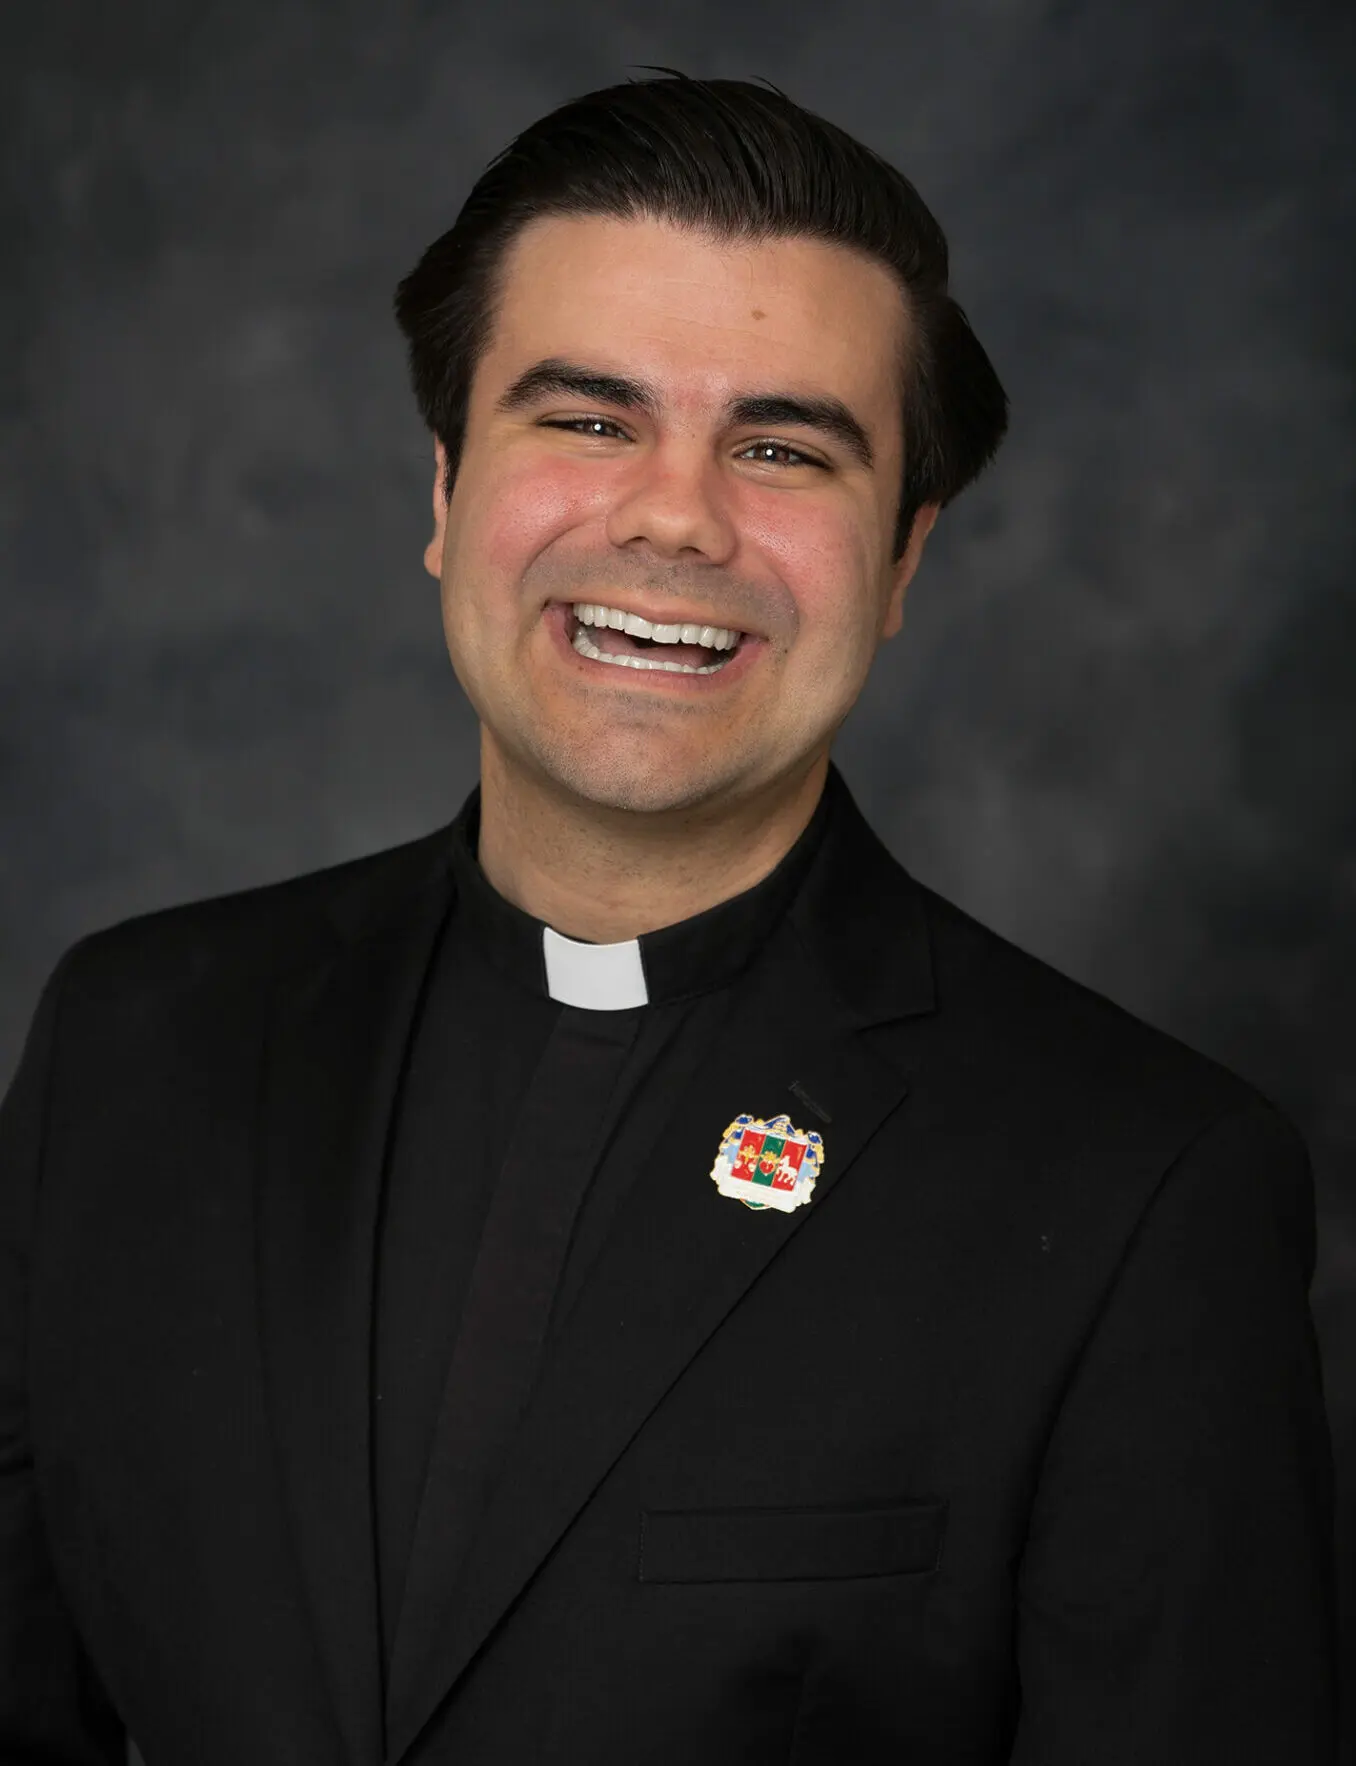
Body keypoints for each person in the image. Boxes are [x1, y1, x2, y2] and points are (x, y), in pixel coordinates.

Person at [0, 71, 1336, 1766]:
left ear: (903, 559)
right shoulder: (133, 1046)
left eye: (781, 449)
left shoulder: (1145, 1191)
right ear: (444, 492)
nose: (674, 515)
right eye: (586, 419)